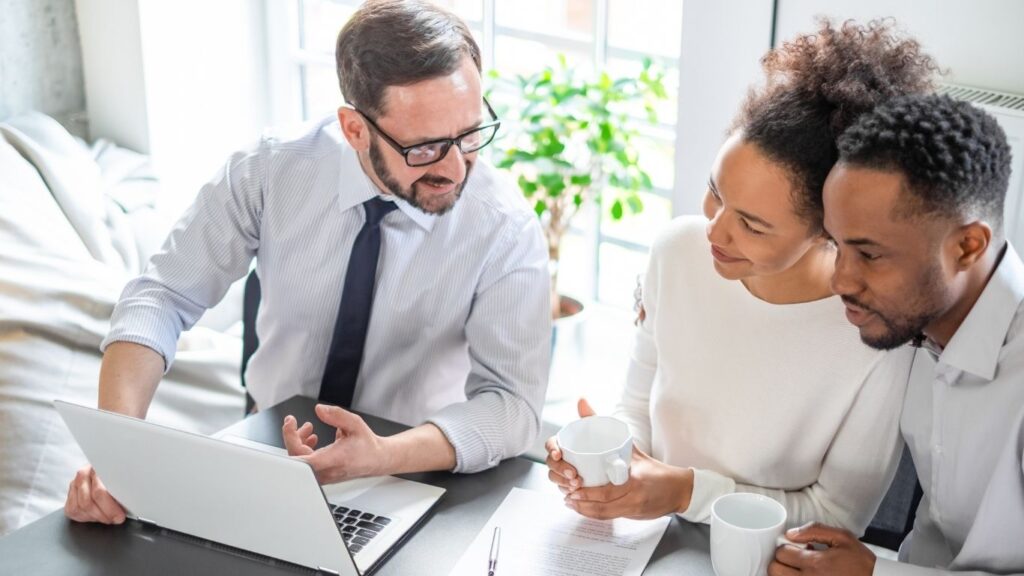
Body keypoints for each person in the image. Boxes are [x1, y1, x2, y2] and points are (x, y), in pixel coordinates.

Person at [63, 0, 550, 525]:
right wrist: (118, 449)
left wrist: (385, 454)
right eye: (426, 148)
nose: (456, 168)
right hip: (265, 451)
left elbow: (511, 404)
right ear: (354, 128)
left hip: (418, 472)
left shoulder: (504, 227)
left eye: (471, 134)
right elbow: (162, 296)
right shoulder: (271, 171)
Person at [545, 20, 938, 533]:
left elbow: (839, 518)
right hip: (646, 541)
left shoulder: (875, 331)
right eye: (716, 192)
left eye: (752, 224)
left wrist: (686, 491)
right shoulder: (677, 251)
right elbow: (636, 407)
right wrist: (604, 456)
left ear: (830, 230)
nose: (715, 230)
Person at [769, 95, 1024, 575]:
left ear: (968, 246)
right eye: (836, 244)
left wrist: (874, 573)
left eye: (869, 255)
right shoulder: (914, 323)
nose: (841, 280)